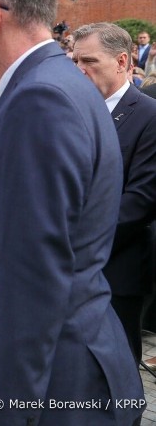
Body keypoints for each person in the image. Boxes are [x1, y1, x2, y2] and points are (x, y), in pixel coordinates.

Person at [0, 0, 144, 426]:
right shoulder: (55, 82)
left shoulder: (39, 98)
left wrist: (8, 413)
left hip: (56, 381)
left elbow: (36, 277)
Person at [71, 22, 156, 365]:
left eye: (88, 61)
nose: (78, 70)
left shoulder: (149, 114)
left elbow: (142, 199)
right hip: (65, 265)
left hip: (115, 266)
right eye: (74, 61)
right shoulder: (71, 110)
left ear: (121, 62)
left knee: (114, 367)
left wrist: (78, 242)